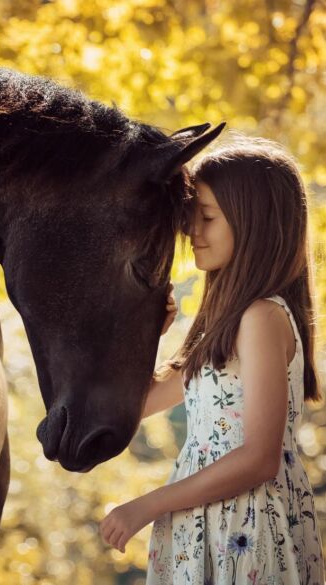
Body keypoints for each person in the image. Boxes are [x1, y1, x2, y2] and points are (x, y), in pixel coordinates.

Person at [99, 137, 325, 584]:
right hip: (202, 526)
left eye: (206, 217)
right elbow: (135, 404)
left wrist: (145, 505)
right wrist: (148, 333)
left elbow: (260, 458)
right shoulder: (223, 327)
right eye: (190, 218)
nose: (192, 232)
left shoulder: (262, 317)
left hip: (246, 532)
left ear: (253, 223)